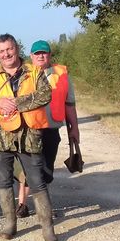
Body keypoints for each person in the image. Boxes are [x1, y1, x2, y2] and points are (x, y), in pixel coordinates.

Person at [0, 33, 58, 241]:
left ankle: (48, 229)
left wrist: (15, 103)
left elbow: (45, 94)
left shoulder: (34, 71)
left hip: (29, 136)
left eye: (9, 49)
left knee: (37, 182)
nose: (6, 54)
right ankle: (10, 224)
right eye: (1, 51)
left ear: (16, 49)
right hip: (1, 136)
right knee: (3, 181)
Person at [14, 40, 80, 217]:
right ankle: (23, 204)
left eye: (44, 52)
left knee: (46, 169)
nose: (41, 56)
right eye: (37, 53)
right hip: (28, 128)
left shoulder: (62, 74)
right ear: (31, 56)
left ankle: (41, 204)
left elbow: (70, 105)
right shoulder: (22, 74)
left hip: (51, 128)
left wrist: (74, 129)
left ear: (50, 55)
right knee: (27, 169)